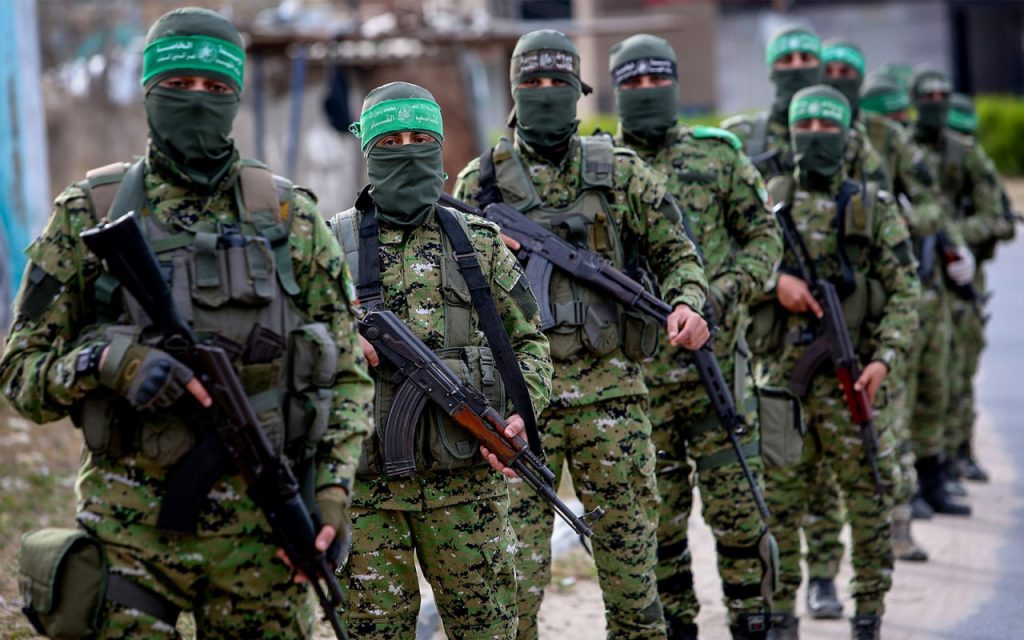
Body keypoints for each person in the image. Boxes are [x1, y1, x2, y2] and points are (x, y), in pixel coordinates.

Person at [0, 7, 374, 638]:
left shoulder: (292, 220)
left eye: (214, 86)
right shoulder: (89, 214)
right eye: (178, 85)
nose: (197, 99)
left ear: (236, 95)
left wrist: (332, 494)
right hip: (128, 536)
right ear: (149, 91)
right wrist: (110, 363)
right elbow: (20, 373)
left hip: (264, 538)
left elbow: (346, 376)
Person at [454, 28, 710, 640]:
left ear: (578, 89)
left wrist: (687, 302)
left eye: (557, 82)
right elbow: (450, 292)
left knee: (633, 583)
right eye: (532, 82)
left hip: (612, 402)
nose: (545, 93)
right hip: (518, 411)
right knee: (512, 588)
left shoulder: (620, 173)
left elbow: (678, 253)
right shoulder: (479, 183)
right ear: (514, 90)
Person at [328, 81, 553, 640]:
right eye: (391, 141)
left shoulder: (478, 242)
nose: (407, 151)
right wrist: (338, 343)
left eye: (420, 139)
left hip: (467, 491)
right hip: (366, 497)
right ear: (367, 149)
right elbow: (291, 350)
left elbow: (529, 344)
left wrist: (521, 414)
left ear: (440, 147)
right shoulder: (329, 245)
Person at [608, 33, 783, 640]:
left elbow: (765, 239)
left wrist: (720, 295)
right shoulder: (598, 169)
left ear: (677, 83)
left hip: (719, 375)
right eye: (633, 82)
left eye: (657, 79)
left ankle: (754, 622)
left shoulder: (718, 157)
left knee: (741, 519)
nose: (647, 91)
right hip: (638, 387)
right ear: (616, 91)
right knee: (656, 531)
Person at [758, 86, 920, 640]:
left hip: (856, 379)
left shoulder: (873, 206)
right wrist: (775, 283)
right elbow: (734, 267)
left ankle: (868, 615)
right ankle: (780, 618)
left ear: (848, 135)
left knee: (870, 503)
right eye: (806, 126)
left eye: (828, 126)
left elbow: (907, 291)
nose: (816, 136)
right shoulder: (768, 199)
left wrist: (885, 359)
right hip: (784, 384)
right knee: (777, 508)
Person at [909, 69, 1006, 516]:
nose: (935, 102)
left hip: (957, 283)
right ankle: (915, 476)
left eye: (941, 95)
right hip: (914, 278)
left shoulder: (963, 153)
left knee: (950, 377)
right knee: (911, 384)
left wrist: (958, 241)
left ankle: (946, 462)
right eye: (926, 95)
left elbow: (997, 215)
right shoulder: (901, 149)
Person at [722, 26, 889, 191]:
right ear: (772, 71)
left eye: (805, 58)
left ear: (820, 69)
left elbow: (877, 199)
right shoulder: (741, 137)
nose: (797, 67)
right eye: (786, 60)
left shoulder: (850, 141)